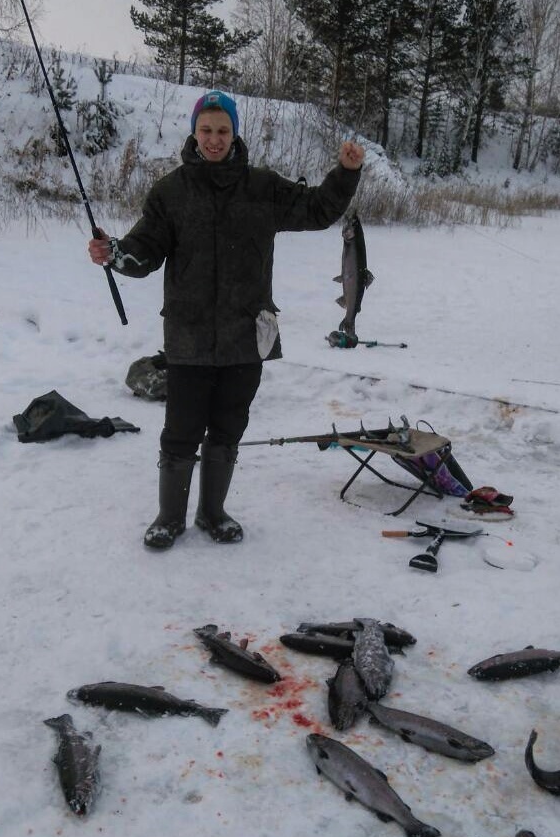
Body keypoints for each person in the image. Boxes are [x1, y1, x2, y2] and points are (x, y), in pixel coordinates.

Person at [89, 90, 364, 550]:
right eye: (206, 130)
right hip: (188, 335)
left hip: (245, 334)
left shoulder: (262, 187)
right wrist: (115, 253)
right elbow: (144, 254)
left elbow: (317, 210)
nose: (214, 140)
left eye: (222, 130)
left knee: (228, 427)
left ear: (235, 133)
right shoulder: (170, 192)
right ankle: (169, 517)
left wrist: (346, 173)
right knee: (180, 430)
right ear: (194, 133)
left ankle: (212, 513)